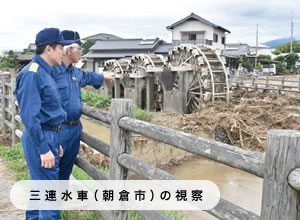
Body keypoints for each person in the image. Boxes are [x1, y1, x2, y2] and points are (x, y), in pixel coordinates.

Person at [14, 27, 73, 220]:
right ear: (48, 49)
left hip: (49, 136)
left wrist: (54, 143)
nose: (62, 52)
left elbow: (48, 111)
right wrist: (44, 148)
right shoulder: (33, 73)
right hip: (40, 136)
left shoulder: (46, 72)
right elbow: (30, 117)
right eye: (60, 48)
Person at [52, 30, 115, 181]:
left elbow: (88, 76)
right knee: (50, 171)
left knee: (65, 171)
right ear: (69, 50)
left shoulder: (75, 72)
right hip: (57, 129)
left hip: (74, 130)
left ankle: (57, 202)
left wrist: (104, 76)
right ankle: (46, 203)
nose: (81, 52)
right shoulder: (51, 71)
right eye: (79, 49)